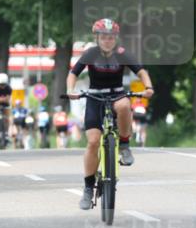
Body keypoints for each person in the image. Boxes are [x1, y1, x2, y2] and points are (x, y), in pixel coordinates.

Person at [66, 18, 154, 210]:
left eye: (111, 37)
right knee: (93, 142)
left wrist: (148, 86)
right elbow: (73, 74)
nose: (108, 40)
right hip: (94, 98)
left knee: (124, 105)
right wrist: (71, 89)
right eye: (104, 37)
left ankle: (123, 144)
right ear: (97, 37)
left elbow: (141, 71)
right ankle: (88, 188)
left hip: (117, 94)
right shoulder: (90, 53)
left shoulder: (122, 54)